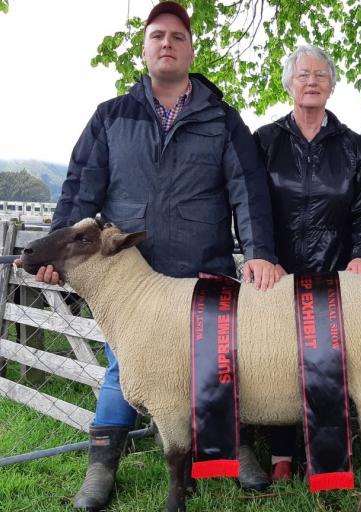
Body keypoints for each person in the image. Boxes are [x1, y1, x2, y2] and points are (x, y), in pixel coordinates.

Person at [27, 2, 277, 509]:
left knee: (219, 361)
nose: (167, 43)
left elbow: (247, 190)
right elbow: (79, 191)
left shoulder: (222, 119)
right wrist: (58, 247)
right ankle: (102, 467)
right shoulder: (111, 117)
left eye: (177, 37)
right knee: (127, 368)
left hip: (200, 265)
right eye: (157, 36)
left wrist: (259, 252)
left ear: (190, 49)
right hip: (130, 274)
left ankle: (234, 445)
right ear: (144, 48)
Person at [252, 45, 361, 482]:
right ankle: (281, 454)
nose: (311, 82)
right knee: (277, 363)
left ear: (331, 85)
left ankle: (327, 455)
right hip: (277, 276)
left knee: (328, 362)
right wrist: (264, 258)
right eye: (303, 74)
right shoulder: (264, 142)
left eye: (320, 75)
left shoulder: (353, 147)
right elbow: (251, 208)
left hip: (334, 275)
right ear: (289, 83)